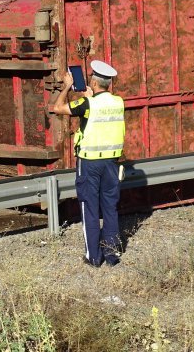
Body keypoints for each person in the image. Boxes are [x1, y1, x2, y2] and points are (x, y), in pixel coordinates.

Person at [51, 60, 125, 267]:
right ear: (108, 83)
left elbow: (58, 108)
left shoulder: (87, 104)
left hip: (89, 163)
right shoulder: (118, 102)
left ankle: (93, 257)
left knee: (90, 208)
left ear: (93, 82)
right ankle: (111, 254)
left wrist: (67, 85)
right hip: (111, 162)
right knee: (110, 207)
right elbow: (100, 112)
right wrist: (90, 98)